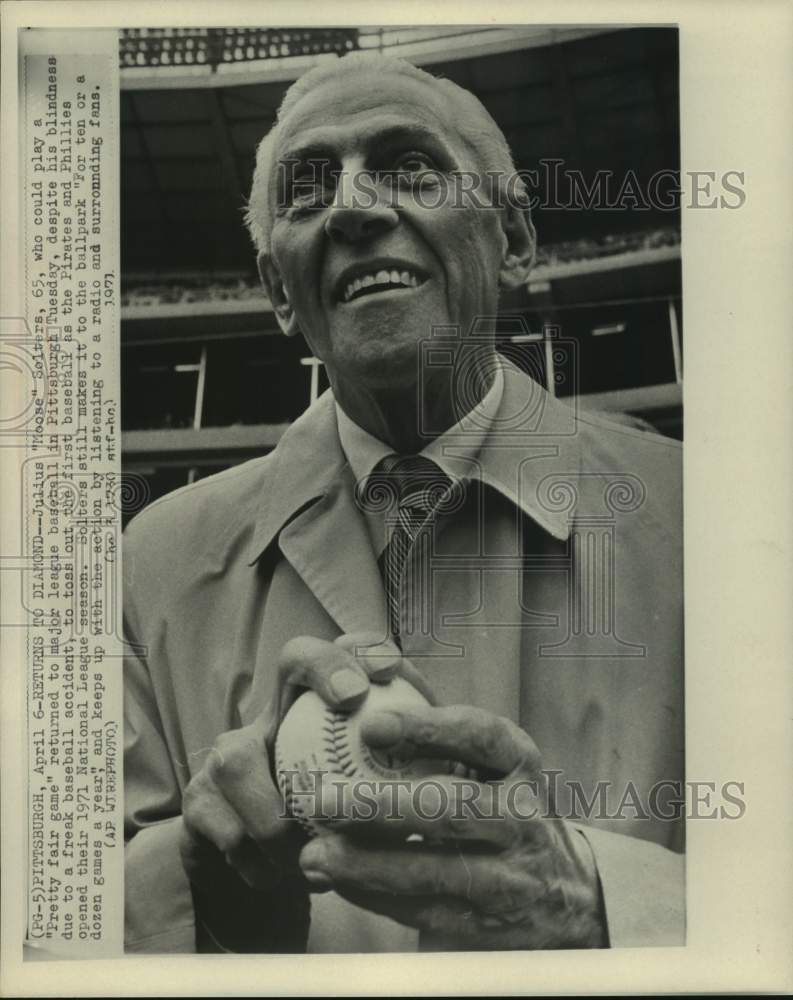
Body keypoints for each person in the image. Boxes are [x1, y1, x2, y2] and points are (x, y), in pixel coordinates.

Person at [123, 52, 683, 954]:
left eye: (410, 170)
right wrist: (205, 895)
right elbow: (49, 926)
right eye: (307, 192)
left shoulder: (714, 521)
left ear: (514, 238)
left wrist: (604, 901)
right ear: (277, 291)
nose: (351, 206)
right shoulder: (148, 567)